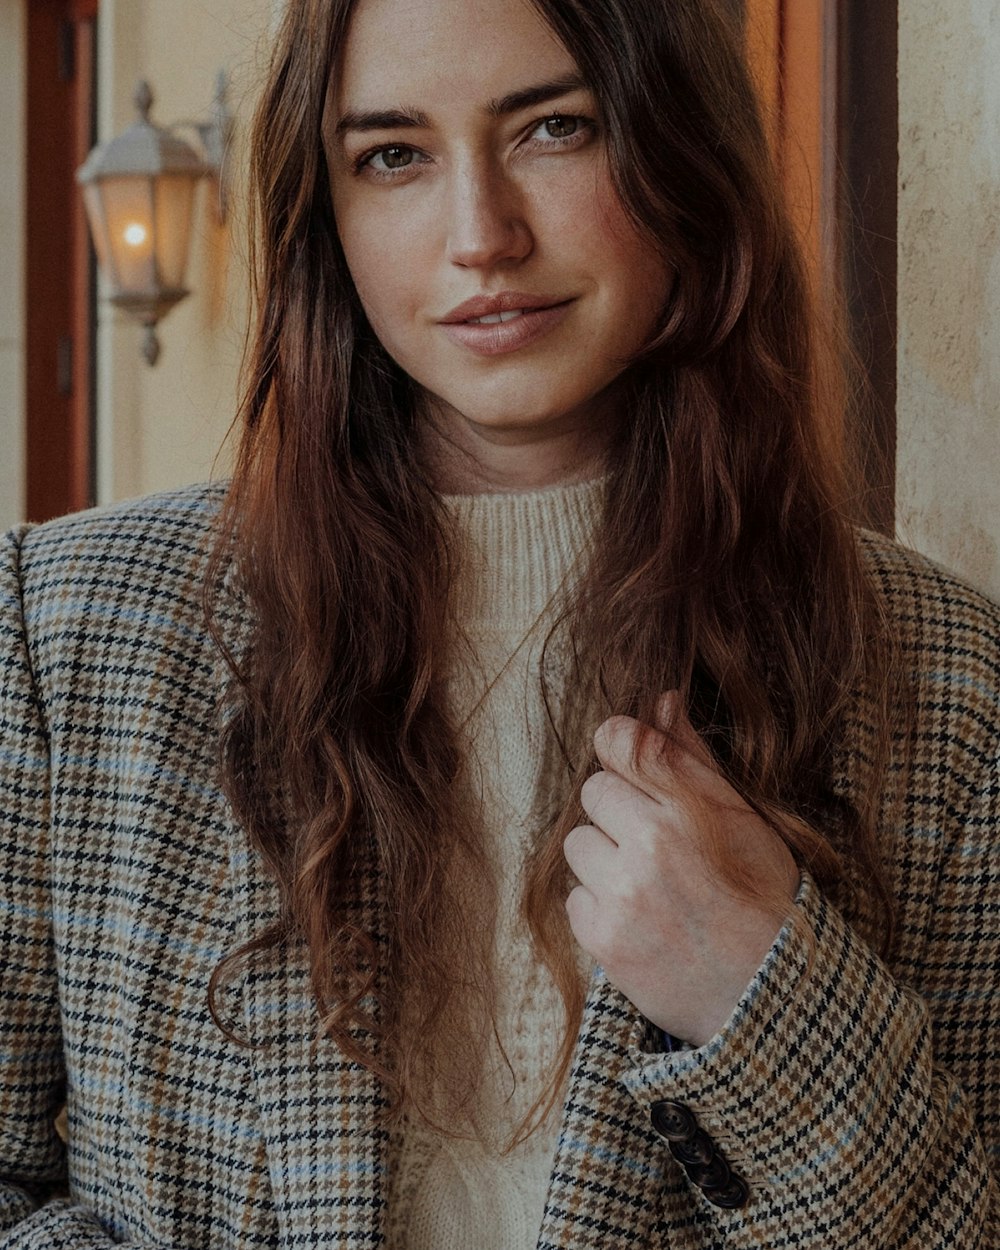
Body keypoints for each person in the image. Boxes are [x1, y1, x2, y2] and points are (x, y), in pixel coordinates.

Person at [1, 0, 998, 1245]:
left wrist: (768, 994)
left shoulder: (937, 673)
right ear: (328, 212)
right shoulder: (66, 625)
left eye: (554, 129)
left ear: (678, 149)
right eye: (393, 154)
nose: (482, 235)